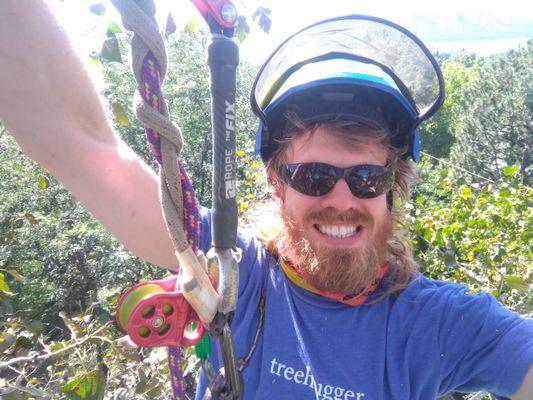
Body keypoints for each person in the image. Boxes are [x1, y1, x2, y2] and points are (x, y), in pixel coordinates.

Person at [0, 2, 531, 399]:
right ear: (277, 184)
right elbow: (78, 142)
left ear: (394, 188)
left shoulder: (436, 322)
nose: (343, 198)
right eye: (315, 176)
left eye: (368, 178)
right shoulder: (231, 270)